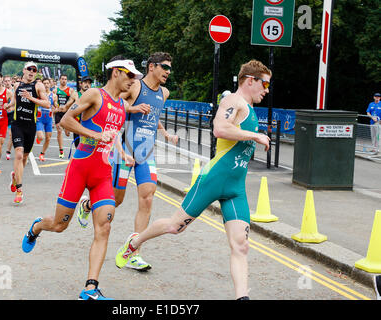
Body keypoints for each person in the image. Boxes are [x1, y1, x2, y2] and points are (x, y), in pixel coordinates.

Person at [115, 59, 272, 300]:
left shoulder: (250, 109)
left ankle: (242, 298)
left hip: (236, 187)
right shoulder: (233, 101)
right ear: (250, 80)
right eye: (265, 83)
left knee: (241, 245)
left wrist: (253, 139)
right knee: (174, 227)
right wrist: (255, 136)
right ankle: (135, 242)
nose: (267, 89)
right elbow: (219, 128)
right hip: (214, 178)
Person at [21, 56, 142, 300]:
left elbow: (113, 135)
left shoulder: (120, 105)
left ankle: (90, 288)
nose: (133, 81)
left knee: (105, 226)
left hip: (102, 175)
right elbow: (66, 120)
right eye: (130, 75)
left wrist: (123, 153)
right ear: (116, 73)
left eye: (135, 77)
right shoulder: (95, 95)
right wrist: (95, 135)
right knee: (59, 225)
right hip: (80, 168)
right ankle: (36, 227)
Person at [77, 52, 177, 272]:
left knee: (148, 197)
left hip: (146, 151)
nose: (168, 72)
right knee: (115, 200)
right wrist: (134, 108)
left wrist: (166, 133)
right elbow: (115, 105)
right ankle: (87, 205)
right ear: (152, 67)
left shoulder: (165, 92)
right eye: (165, 67)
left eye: (170, 68)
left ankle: (134, 251)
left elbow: (155, 114)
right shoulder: (134, 87)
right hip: (125, 151)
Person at [9, 61, 50, 204]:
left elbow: (47, 104)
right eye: (29, 69)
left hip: (30, 126)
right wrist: (8, 105)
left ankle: (15, 177)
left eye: (34, 70)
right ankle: (19, 190)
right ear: (24, 70)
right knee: (19, 154)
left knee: (24, 157)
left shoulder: (38, 86)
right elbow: (14, 101)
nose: (32, 71)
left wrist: (31, 98)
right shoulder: (17, 85)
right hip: (17, 124)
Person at [36, 77, 58, 161]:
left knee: (48, 138)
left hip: (48, 119)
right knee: (41, 137)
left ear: (50, 84)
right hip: (40, 119)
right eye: (44, 83)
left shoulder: (54, 96)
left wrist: (55, 108)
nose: (46, 85)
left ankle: (42, 154)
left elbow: (56, 106)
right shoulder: (39, 94)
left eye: (47, 83)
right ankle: (39, 137)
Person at [54, 74, 76, 159]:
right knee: (59, 130)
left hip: (67, 113)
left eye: (65, 79)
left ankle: (67, 129)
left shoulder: (70, 90)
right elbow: (54, 101)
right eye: (62, 79)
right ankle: (61, 150)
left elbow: (74, 101)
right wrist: (56, 107)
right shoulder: (56, 90)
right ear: (59, 80)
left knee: (67, 134)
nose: (64, 80)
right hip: (59, 113)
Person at [72, 75, 93, 148]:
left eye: (89, 83)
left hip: (89, 127)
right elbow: (67, 108)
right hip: (77, 126)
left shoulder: (93, 97)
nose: (87, 85)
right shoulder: (75, 95)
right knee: (78, 148)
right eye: (85, 82)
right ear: (81, 84)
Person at [3, 75, 15, 161]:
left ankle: (8, 151)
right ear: (3, 82)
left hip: (12, 114)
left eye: (8, 81)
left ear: (11, 81)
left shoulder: (14, 91)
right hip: (2, 115)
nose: (7, 82)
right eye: (5, 81)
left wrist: (12, 108)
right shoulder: (1, 91)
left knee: (11, 134)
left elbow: (18, 104)